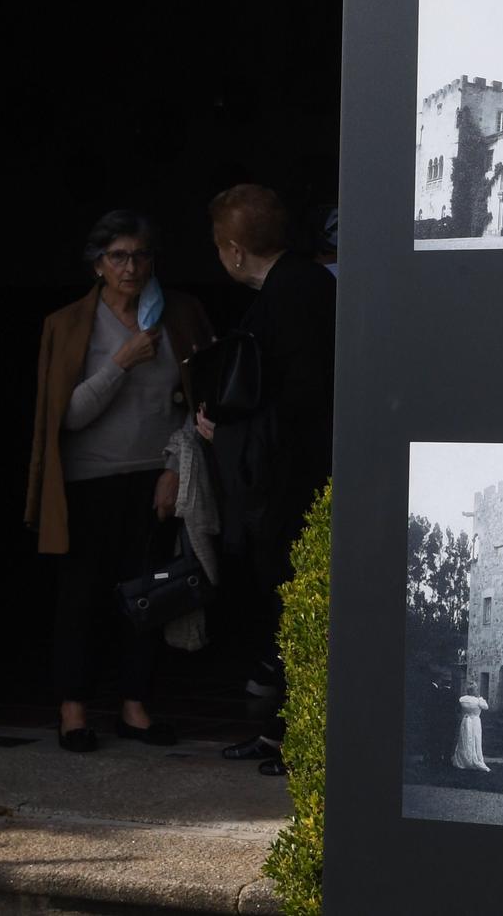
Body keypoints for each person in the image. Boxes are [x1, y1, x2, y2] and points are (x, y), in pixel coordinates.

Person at [25, 210, 213, 753]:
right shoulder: (68, 325)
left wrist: (175, 469)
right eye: (118, 257)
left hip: (153, 481)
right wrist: (122, 362)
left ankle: (135, 707)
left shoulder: (177, 315)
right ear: (98, 265)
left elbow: (195, 399)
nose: (131, 267)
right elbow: (67, 415)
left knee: (150, 597)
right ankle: (74, 712)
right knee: (79, 599)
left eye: (141, 256)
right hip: (88, 483)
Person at [199, 185, 337, 774]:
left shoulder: (296, 293)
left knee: (294, 604)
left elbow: (299, 405)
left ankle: (297, 740)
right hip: (287, 481)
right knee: (281, 607)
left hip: (294, 485)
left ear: (233, 250)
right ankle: (280, 735)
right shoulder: (298, 286)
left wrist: (222, 434)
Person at [452, 686, 490, 771]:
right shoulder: (478, 701)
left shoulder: (462, 699)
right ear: (473, 691)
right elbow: (486, 707)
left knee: (464, 739)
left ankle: (463, 758)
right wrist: (480, 697)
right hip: (475, 721)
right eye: (476, 690)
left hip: (465, 720)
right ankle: (474, 758)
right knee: (475, 739)